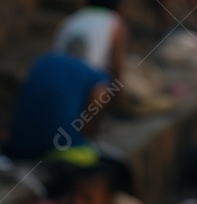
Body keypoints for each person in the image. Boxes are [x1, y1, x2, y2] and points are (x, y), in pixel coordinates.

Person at [4, 46, 115, 177]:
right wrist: (88, 132)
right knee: (93, 156)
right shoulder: (95, 73)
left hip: (19, 145)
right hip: (58, 149)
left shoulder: (43, 60)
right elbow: (99, 97)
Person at [54, 0, 128, 86]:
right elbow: (118, 68)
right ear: (118, 5)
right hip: (85, 83)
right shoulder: (114, 22)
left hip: (55, 75)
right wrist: (120, 98)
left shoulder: (72, 19)